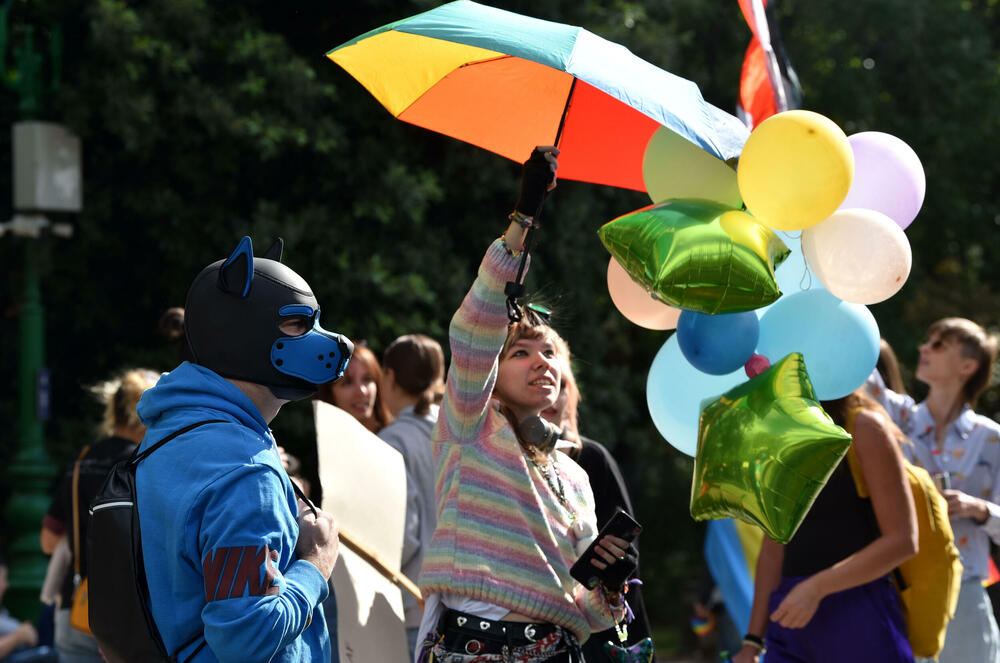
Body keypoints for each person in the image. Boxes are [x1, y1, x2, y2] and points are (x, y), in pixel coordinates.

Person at [415, 147, 633, 663]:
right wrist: (524, 219)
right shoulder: (470, 425)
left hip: (559, 652)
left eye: (550, 353)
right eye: (521, 351)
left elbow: (591, 613)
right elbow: (475, 327)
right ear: (491, 374)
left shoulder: (575, 476)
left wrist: (609, 586)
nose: (543, 362)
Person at [131, 236, 348, 663]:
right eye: (299, 324)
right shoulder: (242, 469)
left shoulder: (170, 434)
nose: (331, 341)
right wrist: (316, 563)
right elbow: (247, 639)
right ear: (242, 332)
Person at [733, 389, 918, 663]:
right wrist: (752, 641)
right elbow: (774, 549)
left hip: (859, 614)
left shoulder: (864, 427)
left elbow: (902, 540)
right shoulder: (776, 437)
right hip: (789, 616)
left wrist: (816, 588)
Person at [869, 318, 1000, 663]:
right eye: (928, 341)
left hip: (966, 592)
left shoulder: (991, 438)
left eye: (939, 344)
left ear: (967, 367)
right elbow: (858, 375)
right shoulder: (899, 417)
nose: (923, 349)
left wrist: (979, 508)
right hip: (904, 588)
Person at [542, 338, 655, 661]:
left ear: (572, 395)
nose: (552, 391)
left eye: (563, 384)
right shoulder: (506, 457)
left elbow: (625, 551)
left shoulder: (590, 458)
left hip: (599, 623)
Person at [40, 368, 160, 663]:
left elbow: (48, 541)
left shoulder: (81, 462)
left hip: (77, 607)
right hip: (135, 611)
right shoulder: (148, 462)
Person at [376, 334, 445, 660]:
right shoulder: (458, 437)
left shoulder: (390, 441)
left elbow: (401, 536)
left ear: (389, 376)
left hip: (413, 605)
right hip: (468, 607)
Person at [317, 343, 391, 433]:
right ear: (329, 392)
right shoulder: (326, 445)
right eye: (347, 383)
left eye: (367, 379)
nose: (362, 392)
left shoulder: (399, 438)